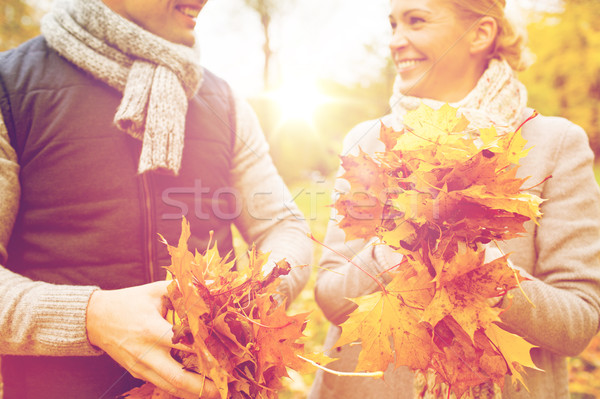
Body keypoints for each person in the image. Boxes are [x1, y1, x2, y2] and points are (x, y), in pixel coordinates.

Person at [0, 0, 312, 398]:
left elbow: (283, 224)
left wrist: (255, 293)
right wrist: (92, 317)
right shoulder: (10, 87)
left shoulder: (224, 101)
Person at [309, 0, 600, 398]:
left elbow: (579, 323)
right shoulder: (369, 141)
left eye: (416, 21)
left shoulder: (553, 143)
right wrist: (385, 257)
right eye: (393, 25)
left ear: (480, 33)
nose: (397, 40)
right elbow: (329, 297)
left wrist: (484, 271)